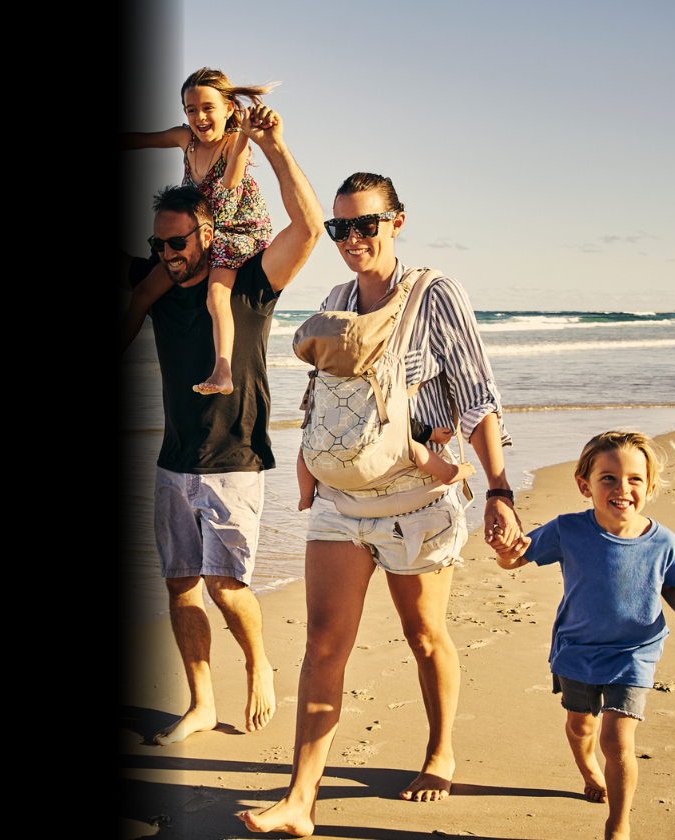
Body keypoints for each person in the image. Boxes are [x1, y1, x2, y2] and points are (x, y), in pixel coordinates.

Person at [243, 173, 520, 836]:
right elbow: (325, 393)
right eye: (340, 228)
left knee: (424, 636)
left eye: (365, 224)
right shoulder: (337, 297)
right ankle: (300, 800)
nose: (351, 239)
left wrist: (501, 491)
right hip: (341, 500)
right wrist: (308, 466)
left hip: (418, 500)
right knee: (323, 644)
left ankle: (440, 751)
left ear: (396, 222)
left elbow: (478, 395)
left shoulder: (434, 294)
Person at [118, 103, 321, 745]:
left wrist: (277, 146)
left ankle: (259, 665)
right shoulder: (157, 279)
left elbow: (310, 228)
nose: (168, 254)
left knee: (227, 588)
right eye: (158, 245)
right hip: (172, 462)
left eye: (178, 243)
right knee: (181, 586)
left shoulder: (250, 287)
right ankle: (201, 703)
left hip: (234, 462)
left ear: (208, 233)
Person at [494, 430, 675, 840]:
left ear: (650, 487)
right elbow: (516, 559)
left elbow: (672, 586)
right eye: (608, 478)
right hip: (577, 649)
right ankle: (587, 769)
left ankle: (618, 825)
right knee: (581, 727)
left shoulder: (664, 541)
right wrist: (505, 549)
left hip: (635, 651)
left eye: (634, 479)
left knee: (616, 739)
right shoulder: (567, 530)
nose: (622, 488)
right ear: (586, 485)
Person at [120, 67, 277, 396]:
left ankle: (223, 370)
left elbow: (230, 184)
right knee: (144, 292)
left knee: (216, 293)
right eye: (192, 110)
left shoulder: (235, 142)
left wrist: (247, 134)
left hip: (234, 230)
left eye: (208, 108)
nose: (200, 117)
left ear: (228, 109)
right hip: (193, 236)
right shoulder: (185, 139)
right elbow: (139, 139)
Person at [295, 419, 474, 512]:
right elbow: (400, 423)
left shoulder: (326, 375)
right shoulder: (372, 379)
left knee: (305, 450)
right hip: (365, 443)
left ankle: (305, 498)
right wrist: (431, 433)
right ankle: (449, 472)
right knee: (412, 448)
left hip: (332, 426)